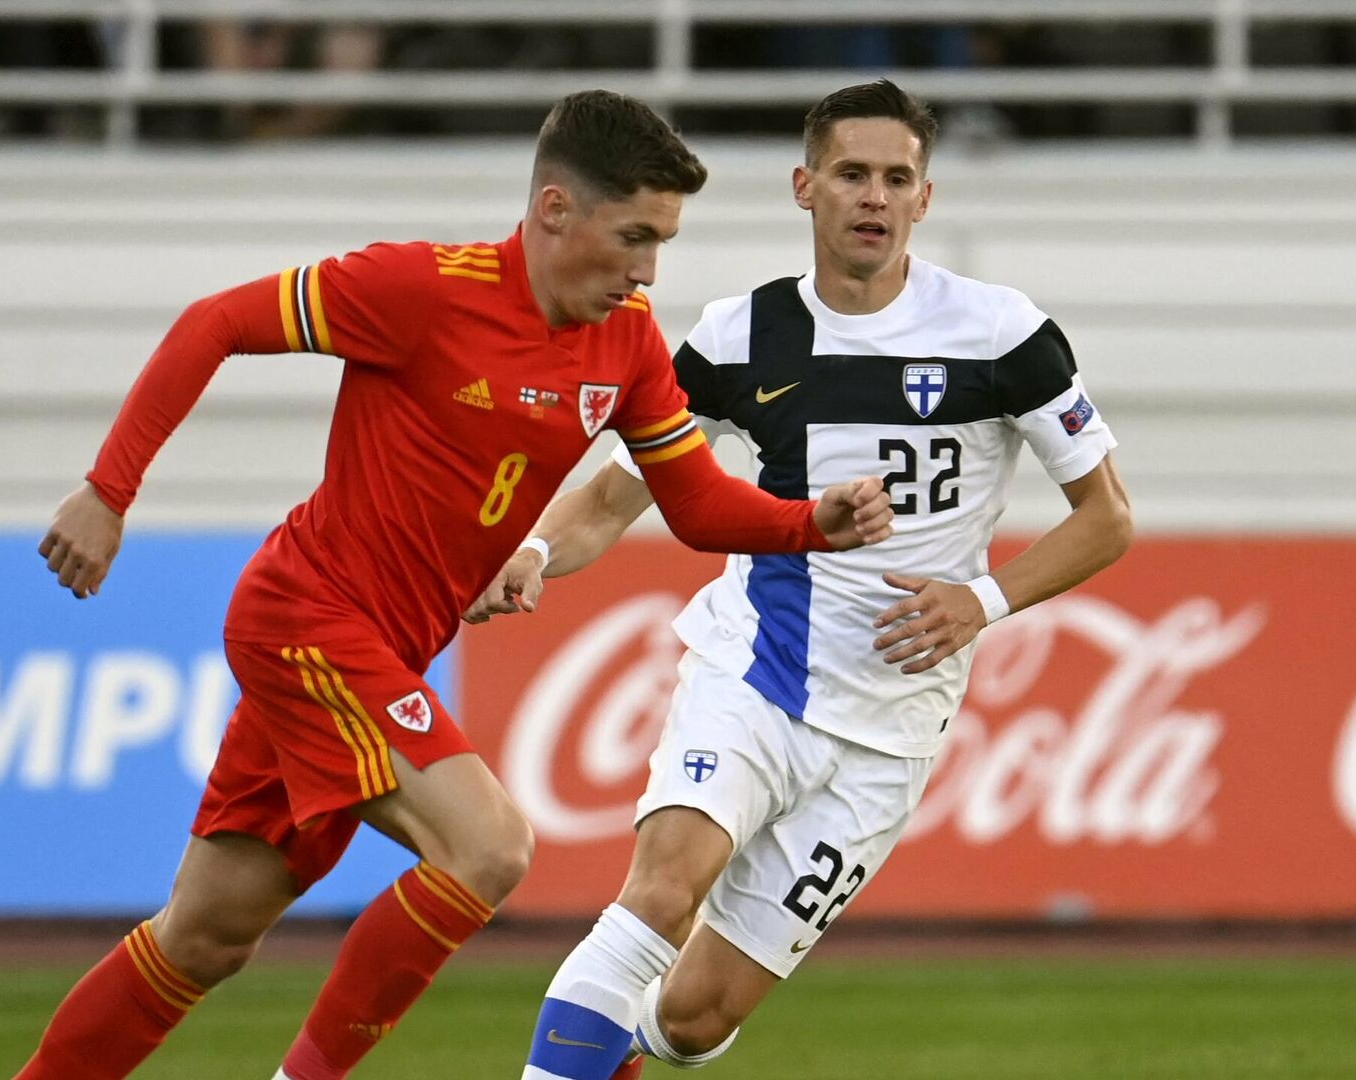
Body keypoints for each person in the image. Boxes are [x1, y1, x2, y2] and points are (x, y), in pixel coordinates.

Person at [13, 89, 894, 1080]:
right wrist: (107, 489)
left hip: (372, 653)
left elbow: (692, 503)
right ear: (556, 211)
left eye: (664, 243)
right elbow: (215, 322)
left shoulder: (630, 342)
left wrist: (804, 524)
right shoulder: (422, 289)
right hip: (306, 618)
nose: (648, 270)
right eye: (635, 237)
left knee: (205, 937)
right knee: (490, 848)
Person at [474, 80, 1132, 1080]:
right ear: (805, 187)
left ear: (925, 197)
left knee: (694, 1019)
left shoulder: (1001, 334)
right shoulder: (744, 337)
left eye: (896, 178)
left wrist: (982, 600)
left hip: (891, 729)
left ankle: (619, 1047)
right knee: (660, 892)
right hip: (758, 672)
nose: (874, 197)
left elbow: (1107, 517)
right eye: (852, 174)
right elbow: (616, 496)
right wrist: (527, 553)